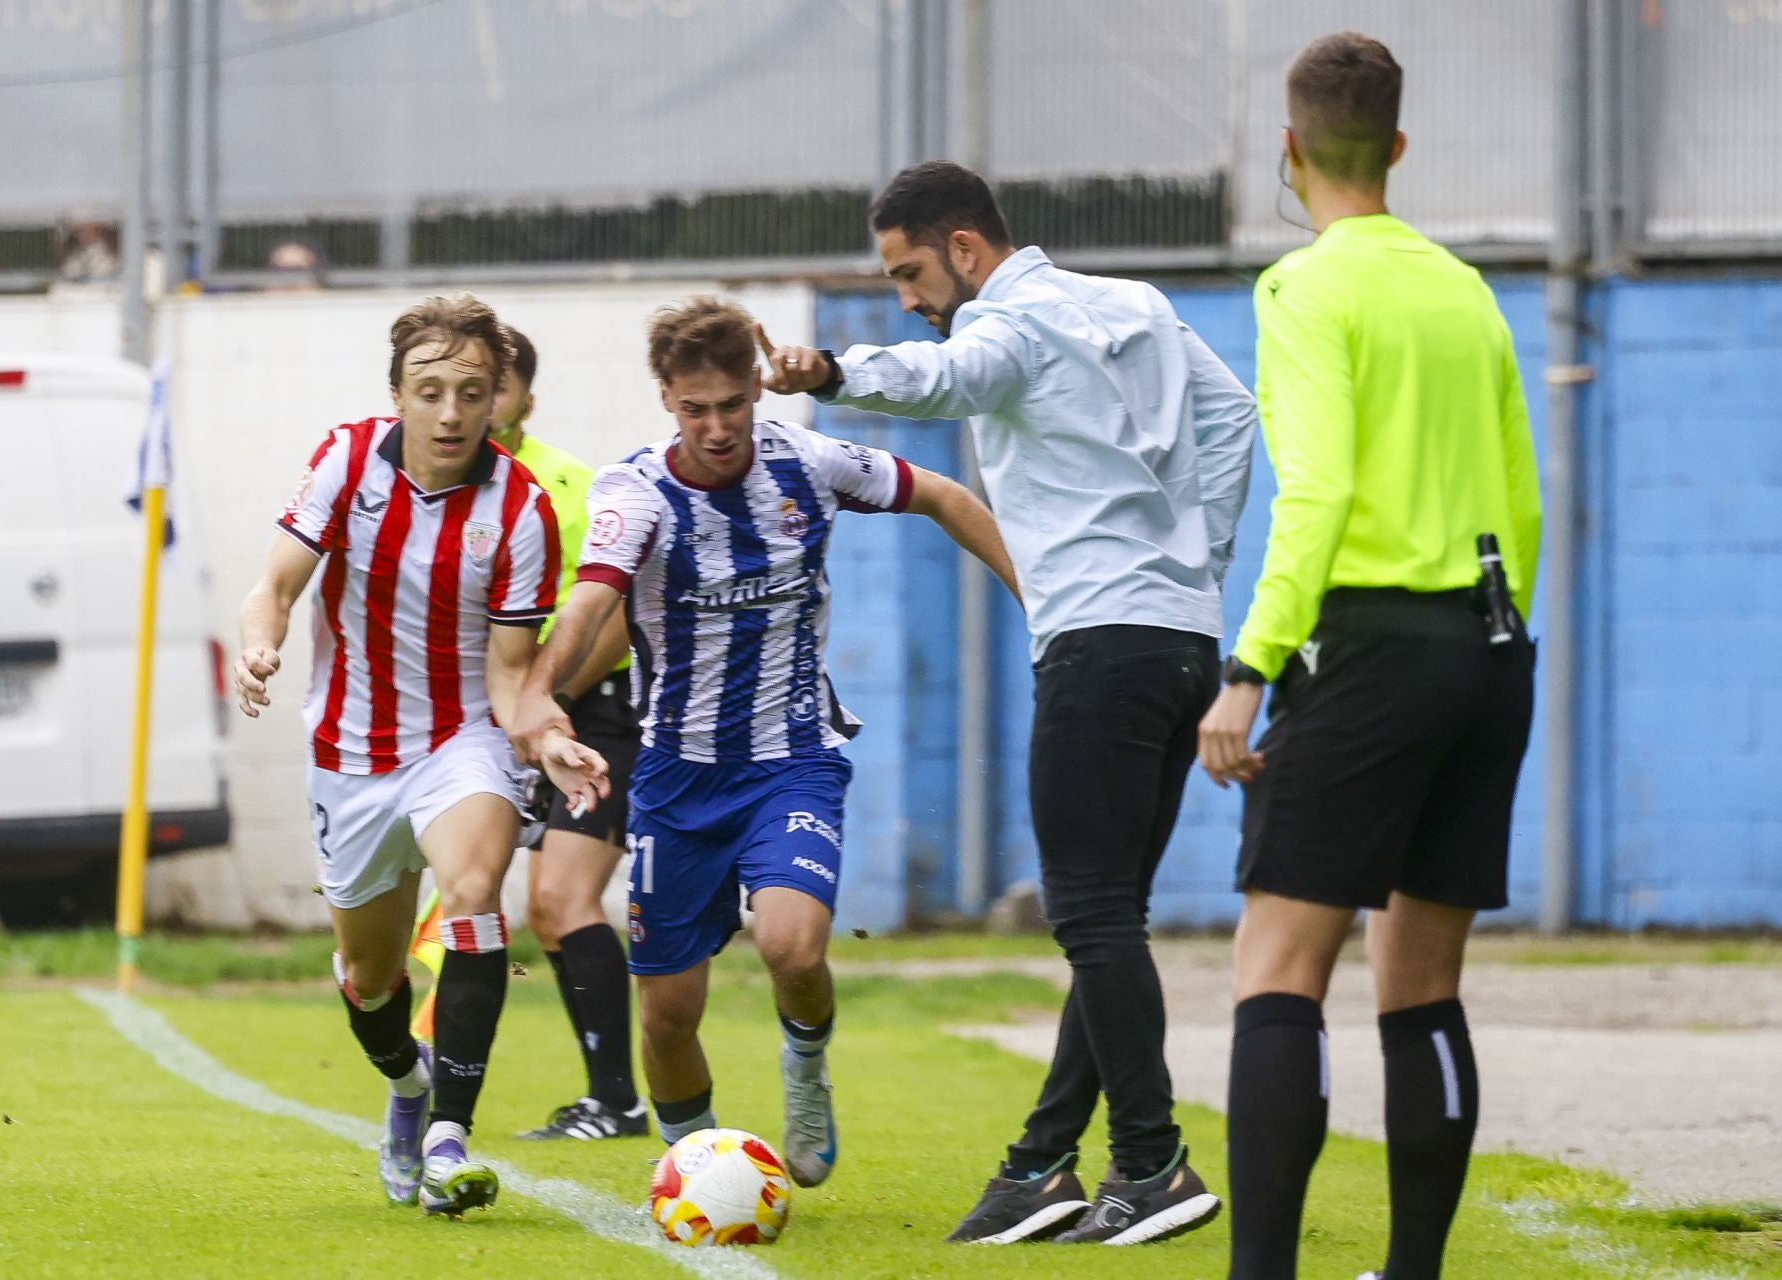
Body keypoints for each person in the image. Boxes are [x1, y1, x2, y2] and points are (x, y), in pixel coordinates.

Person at [759, 160, 1258, 1246]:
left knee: (1085, 911)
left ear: (966, 249)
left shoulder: (1009, 324)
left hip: (1099, 646)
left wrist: (834, 368)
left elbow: (949, 376)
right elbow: (1233, 417)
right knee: (1107, 915)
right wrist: (1195, 561)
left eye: (909, 271)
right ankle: (1040, 1164)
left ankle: (1153, 1162)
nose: (908, 296)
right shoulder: (1138, 304)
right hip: (1180, 638)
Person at [509, 296, 1019, 1190]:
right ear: (667, 398)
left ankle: (807, 1072)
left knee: (792, 947)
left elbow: (942, 493)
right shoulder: (636, 492)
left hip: (792, 761)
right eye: (695, 408)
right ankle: (696, 1173)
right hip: (674, 775)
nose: (716, 428)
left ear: (756, 389)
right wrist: (539, 698)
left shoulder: (810, 462)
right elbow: (593, 596)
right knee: (668, 1016)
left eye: (733, 404)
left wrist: (1038, 608)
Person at [1194, 33, 1541, 1280]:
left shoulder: (1304, 288)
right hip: (1492, 648)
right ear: (1397, 147)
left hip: (1374, 644)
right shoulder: (1466, 288)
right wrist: (1481, 642)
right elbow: (1524, 499)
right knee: (1422, 982)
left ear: (1290, 153)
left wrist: (1253, 664)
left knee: (1278, 965)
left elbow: (1321, 487)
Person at [232, 292, 604, 1218]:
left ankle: (449, 1136)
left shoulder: (521, 509)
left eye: (470, 392)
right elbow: (273, 585)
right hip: (350, 754)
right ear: (397, 392)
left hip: (459, 742)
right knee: (370, 978)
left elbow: (513, 676)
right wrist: (259, 643)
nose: (449, 411)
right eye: (429, 389)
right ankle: (406, 1086)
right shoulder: (347, 459)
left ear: (497, 401)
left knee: (476, 895)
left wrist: (549, 738)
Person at [487, 325, 650, 1142]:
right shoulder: (440, 488)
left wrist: (547, 704)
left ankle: (618, 1100)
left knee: (562, 897)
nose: (479, 404)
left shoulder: (571, 485)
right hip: (511, 717)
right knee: (539, 912)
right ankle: (607, 1098)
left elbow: (615, 614)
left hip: (598, 710)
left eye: (495, 386)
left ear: (525, 399)